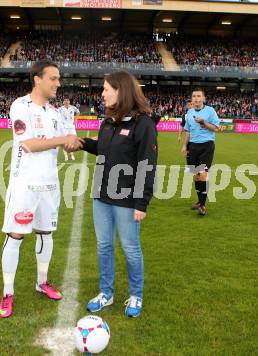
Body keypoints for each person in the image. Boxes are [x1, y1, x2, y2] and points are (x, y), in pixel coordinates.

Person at [0, 60, 83, 318]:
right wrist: (62, 140)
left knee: (46, 233)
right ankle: (8, 293)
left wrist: (76, 143)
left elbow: (65, 141)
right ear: (38, 79)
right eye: (53, 78)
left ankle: (42, 282)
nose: (58, 83)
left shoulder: (55, 113)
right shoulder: (20, 106)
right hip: (25, 184)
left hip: (50, 185)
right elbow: (30, 145)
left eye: (59, 79)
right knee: (16, 235)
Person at [79, 71, 158, 318]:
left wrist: (141, 203)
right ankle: (106, 292)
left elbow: (147, 164)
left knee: (130, 248)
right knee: (104, 246)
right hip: (101, 196)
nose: (102, 94)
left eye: (106, 89)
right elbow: (102, 149)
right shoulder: (109, 121)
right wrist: (81, 142)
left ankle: (136, 295)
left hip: (127, 200)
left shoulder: (143, 123)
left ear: (121, 90)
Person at [181, 88, 220, 216]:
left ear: (203, 98)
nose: (196, 98)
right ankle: (199, 201)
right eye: (194, 96)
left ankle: (202, 205)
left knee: (203, 174)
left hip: (206, 146)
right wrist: (185, 146)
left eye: (199, 96)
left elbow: (216, 129)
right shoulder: (189, 112)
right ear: (192, 99)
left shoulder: (210, 111)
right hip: (193, 147)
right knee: (196, 175)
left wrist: (204, 122)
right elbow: (188, 131)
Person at [178, 100, 193, 166]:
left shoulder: (198, 114)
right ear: (187, 106)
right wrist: (179, 136)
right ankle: (189, 166)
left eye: (191, 104)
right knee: (187, 152)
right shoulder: (185, 116)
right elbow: (182, 126)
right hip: (189, 137)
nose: (189, 106)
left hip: (198, 137)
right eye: (188, 104)